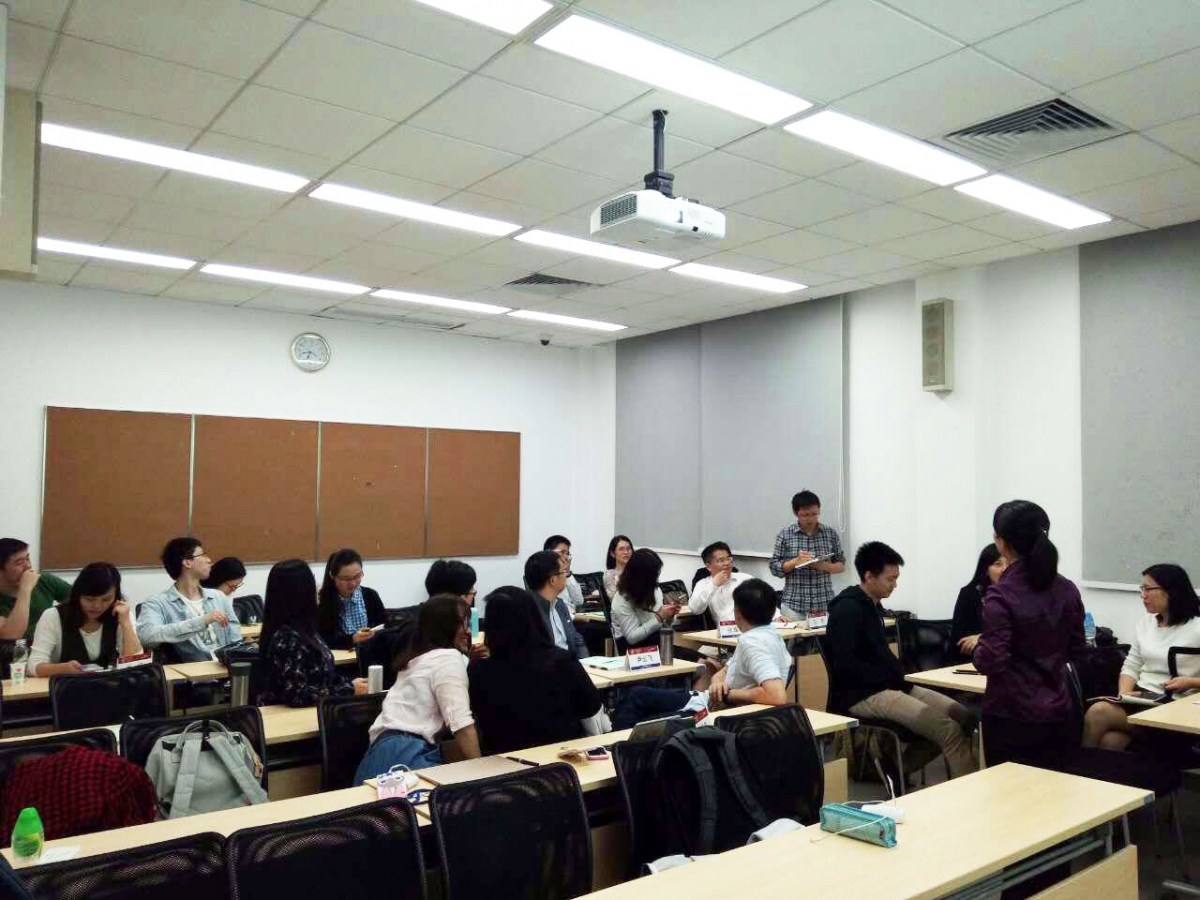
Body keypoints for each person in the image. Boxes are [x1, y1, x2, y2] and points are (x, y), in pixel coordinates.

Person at [827, 541, 976, 778]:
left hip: (893, 685)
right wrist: (892, 677)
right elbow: (847, 667)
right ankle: (971, 790)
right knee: (948, 730)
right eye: (890, 579)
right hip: (863, 694)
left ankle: (896, 773)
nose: (895, 585)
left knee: (965, 718)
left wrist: (897, 677)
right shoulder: (847, 610)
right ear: (869, 576)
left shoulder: (872, 606)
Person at [974, 501, 1085, 770]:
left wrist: (979, 647)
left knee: (1010, 791)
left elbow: (991, 661)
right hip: (1060, 710)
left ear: (1001, 543)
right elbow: (1077, 649)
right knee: (1057, 788)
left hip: (1011, 715)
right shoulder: (1067, 588)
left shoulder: (1001, 595)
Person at [355, 595, 481, 779]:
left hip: (377, 755)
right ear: (446, 627)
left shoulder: (417, 659)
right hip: (407, 754)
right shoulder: (448, 658)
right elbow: (461, 724)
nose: (468, 631)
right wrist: (482, 775)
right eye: (463, 624)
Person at [467, 586, 603, 755]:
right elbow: (591, 706)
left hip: (503, 762)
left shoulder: (478, 669)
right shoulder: (561, 661)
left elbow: (476, 715)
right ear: (534, 618)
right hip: (561, 759)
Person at [1082, 563, 1200, 750]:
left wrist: (1191, 682)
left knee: (1099, 712)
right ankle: (1088, 768)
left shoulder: (1196, 627)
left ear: (1171, 591)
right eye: (1141, 588)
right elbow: (1132, 664)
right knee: (1109, 742)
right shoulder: (1146, 623)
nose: (1142, 595)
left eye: (1148, 589)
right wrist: (1124, 695)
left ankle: (1077, 765)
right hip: (1142, 698)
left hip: (1175, 706)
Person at [261, 559, 366, 708]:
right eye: (312, 582)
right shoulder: (287, 638)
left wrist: (350, 684)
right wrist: (348, 689)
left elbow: (323, 677)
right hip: (295, 716)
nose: (317, 587)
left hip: (316, 709)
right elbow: (297, 694)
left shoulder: (304, 628)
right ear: (300, 592)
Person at [28, 563, 142, 677]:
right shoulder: (53, 616)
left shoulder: (122, 614)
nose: (97, 606)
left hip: (108, 684)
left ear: (116, 597)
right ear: (78, 595)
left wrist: (126, 624)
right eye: (89, 599)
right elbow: (33, 666)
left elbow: (136, 663)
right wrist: (63, 668)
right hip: (65, 685)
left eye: (106, 599)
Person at [138, 538, 242, 662]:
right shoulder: (157, 603)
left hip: (225, 667)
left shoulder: (218, 597)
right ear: (187, 563)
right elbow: (147, 636)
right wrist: (202, 621)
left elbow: (236, 640)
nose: (209, 560)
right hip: (192, 671)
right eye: (203, 555)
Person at [708, 579, 790, 708]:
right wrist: (717, 683)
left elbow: (776, 696)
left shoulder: (752, 643)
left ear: (738, 613)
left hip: (734, 711)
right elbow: (725, 671)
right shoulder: (770, 633)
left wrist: (728, 695)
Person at [769, 490, 846, 621]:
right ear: (796, 513)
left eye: (814, 514)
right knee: (792, 635)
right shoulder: (785, 535)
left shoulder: (830, 534)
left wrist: (823, 566)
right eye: (805, 515)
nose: (810, 519)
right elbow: (774, 568)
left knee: (827, 635)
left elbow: (841, 565)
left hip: (824, 604)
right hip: (794, 606)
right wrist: (795, 562)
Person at [0, 538, 69, 642]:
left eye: (27, 558)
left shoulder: (45, 580)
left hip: (48, 646)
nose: (28, 566)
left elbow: (82, 600)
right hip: (15, 651)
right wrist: (25, 589)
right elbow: (11, 635)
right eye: (19, 563)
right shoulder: (26, 587)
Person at [316, 549, 387, 650]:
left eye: (357, 576)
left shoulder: (371, 596)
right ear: (332, 576)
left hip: (370, 655)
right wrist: (352, 639)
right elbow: (323, 640)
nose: (352, 583)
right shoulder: (324, 602)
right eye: (346, 579)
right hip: (342, 659)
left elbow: (385, 628)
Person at [525, 550, 588, 660]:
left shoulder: (560, 605)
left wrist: (584, 662)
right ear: (553, 580)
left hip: (572, 664)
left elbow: (577, 639)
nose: (566, 576)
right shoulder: (530, 611)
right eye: (564, 571)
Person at [611, 548, 678, 650]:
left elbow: (660, 625)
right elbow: (632, 637)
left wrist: (669, 616)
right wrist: (659, 617)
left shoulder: (655, 590)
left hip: (655, 640)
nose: (656, 579)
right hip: (631, 647)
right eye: (654, 575)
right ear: (642, 577)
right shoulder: (622, 598)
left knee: (693, 656)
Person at [951, 545, 1006, 656]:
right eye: (998, 564)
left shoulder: (1018, 595)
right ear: (986, 569)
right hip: (973, 659)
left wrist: (983, 638)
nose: (1005, 569)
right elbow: (959, 640)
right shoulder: (970, 594)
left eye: (1009, 563)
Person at [689, 541, 753, 626]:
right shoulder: (703, 584)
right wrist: (713, 585)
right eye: (721, 560)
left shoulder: (745, 579)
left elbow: (764, 603)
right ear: (708, 566)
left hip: (749, 628)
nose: (726, 563)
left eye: (728, 559)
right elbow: (695, 609)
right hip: (723, 631)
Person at [544, 535, 585, 613]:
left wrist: (568, 573)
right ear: (548, 552)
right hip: (559, 618)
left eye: (567, 553)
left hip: (572, 618)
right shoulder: (542, 575)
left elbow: (579, 601)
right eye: (562, 552)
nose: (567, 557)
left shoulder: (565, 574)